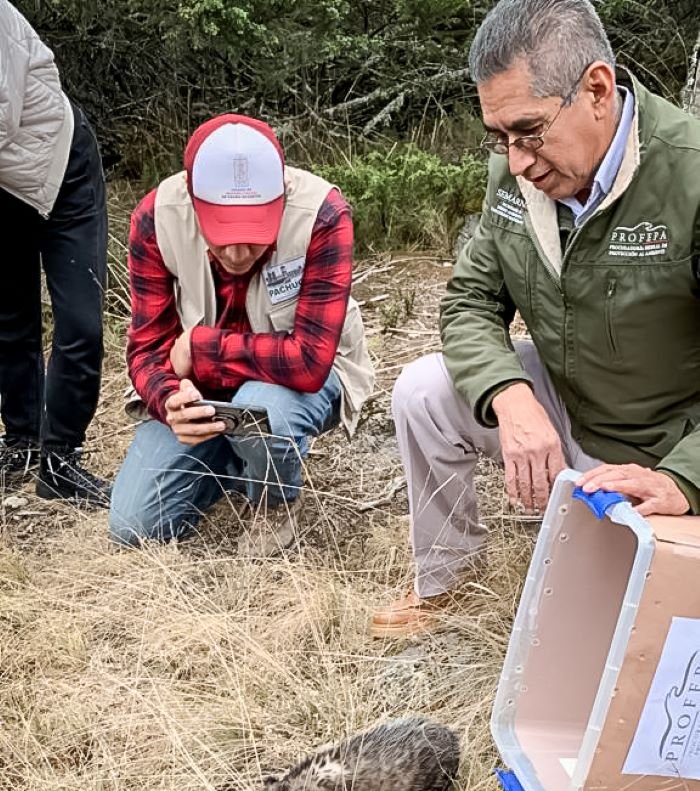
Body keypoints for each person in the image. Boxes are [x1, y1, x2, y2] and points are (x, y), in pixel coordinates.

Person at [372, 0, 700, 637]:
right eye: (498, 137)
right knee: (423, 392)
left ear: (597, 90)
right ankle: (448, 580)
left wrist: (684, 479)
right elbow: (470, 301)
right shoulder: (515, 177)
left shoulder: (688, 177)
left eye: (528, 131)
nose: (516, 160)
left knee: (610, 638)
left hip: (663, 448)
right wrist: (511, 396)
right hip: (567, 402)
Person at [109, 113, 374, 553]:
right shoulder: (156, 218)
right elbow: (147, 349)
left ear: (279, 199)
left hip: (302, 382)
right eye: (221, 232)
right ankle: (237, 455)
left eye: (253, 232)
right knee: (134, 525)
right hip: (203, 391)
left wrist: (201, 348)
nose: (236, 252)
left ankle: (274, 499)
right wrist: (169, 400)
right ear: (194, 203)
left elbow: (310, 363)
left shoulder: (321, 215)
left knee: (262, 409)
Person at [0, 0, 109, 504]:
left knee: (80, 324)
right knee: (10, 320)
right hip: (5, 188)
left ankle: (61, 460)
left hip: (62, 172)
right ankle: (22, 442)